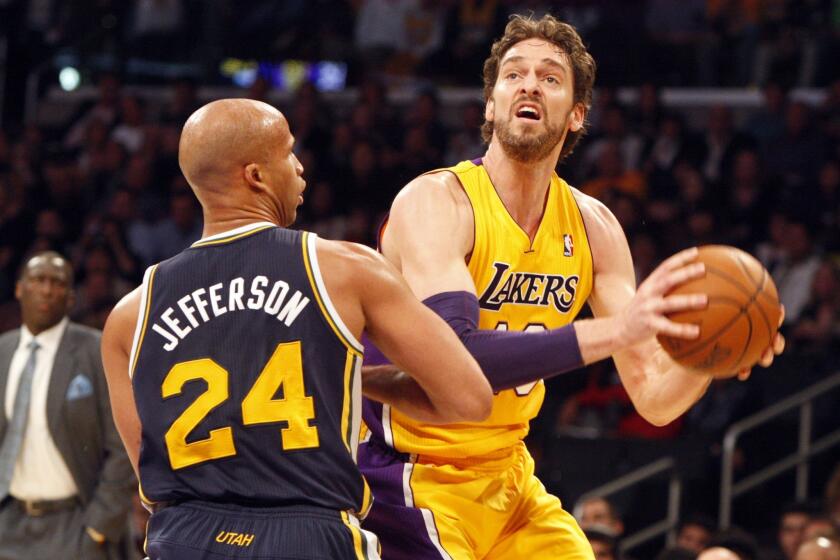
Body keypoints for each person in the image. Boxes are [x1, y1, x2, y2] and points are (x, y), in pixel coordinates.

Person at [358, 13, 784, 560]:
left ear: (577, 114)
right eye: (513, 75)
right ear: (490, 104)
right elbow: (455, 361)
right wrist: (612, 331)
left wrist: (709, 357)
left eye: (550, 77)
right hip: (410, 479)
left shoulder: (595, 228)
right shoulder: (436, 202)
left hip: (510, 477)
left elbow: (654, 397)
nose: (530, 84)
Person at [100, 98, 493, 560]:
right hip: (307, 536)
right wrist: (366, 381)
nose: (301, 168)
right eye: (288, 153)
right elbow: (469, 398)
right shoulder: (345, 269)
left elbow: (151, 482)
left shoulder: (130, 315)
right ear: (256, 176)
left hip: (181, 537)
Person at [0, 251, 134, 559]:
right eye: (38, 280)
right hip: (9, 521)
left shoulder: (96, 349)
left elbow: (123, 442)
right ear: (20, 289)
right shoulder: (3, 351)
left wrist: (99, 526)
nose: (47, 289)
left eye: (57, 282)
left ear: (71, 297)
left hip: (74, 523)